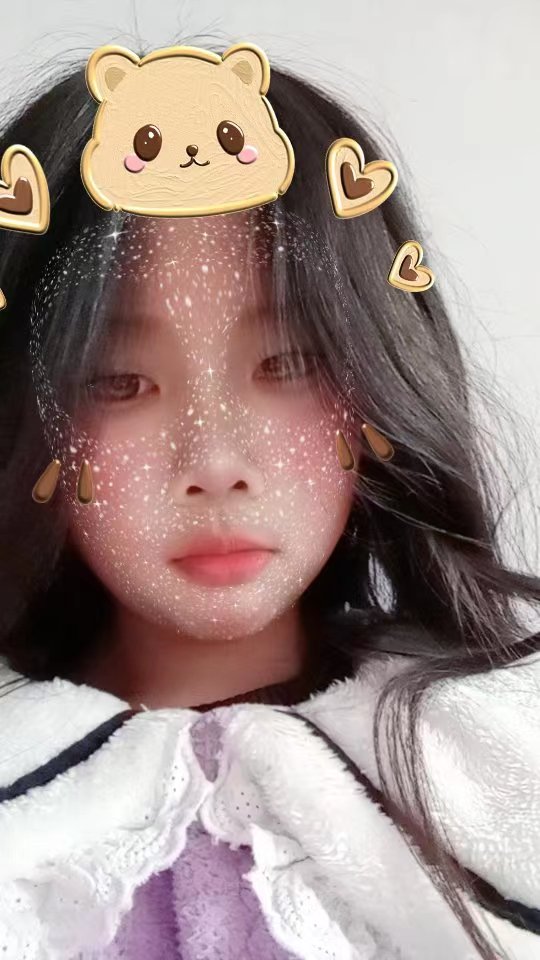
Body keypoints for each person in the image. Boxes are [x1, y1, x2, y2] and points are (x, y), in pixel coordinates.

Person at [0, 37, 539, 960]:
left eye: (287, 364)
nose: (216, 463)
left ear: (378, 391)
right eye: (119, 381)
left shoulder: (498, 758)